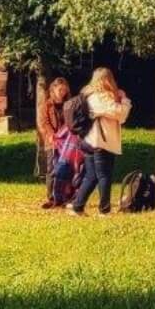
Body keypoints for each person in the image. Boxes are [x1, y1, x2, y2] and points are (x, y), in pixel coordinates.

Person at [69, 67, 132, 216]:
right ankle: (104, 210)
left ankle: (77, 206)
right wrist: (124, 99)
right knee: (105, 176)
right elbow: (121, 114)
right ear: (107, 80)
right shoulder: (99, 97)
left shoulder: (88, 94)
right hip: (100, 142)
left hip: (91, 140)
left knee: (92, 176)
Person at [38, 77, 73, 208]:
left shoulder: (69, 104)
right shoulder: (46, 105)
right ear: (53, 89)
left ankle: (65, 196)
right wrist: (51, 135)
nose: (62, 92)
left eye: (64, 90)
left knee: (66, 169)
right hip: (52, 142)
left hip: (66, 142)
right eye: (60, 89)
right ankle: (52, 197)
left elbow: (71, 122)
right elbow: (44, 122)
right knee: (52, 169)